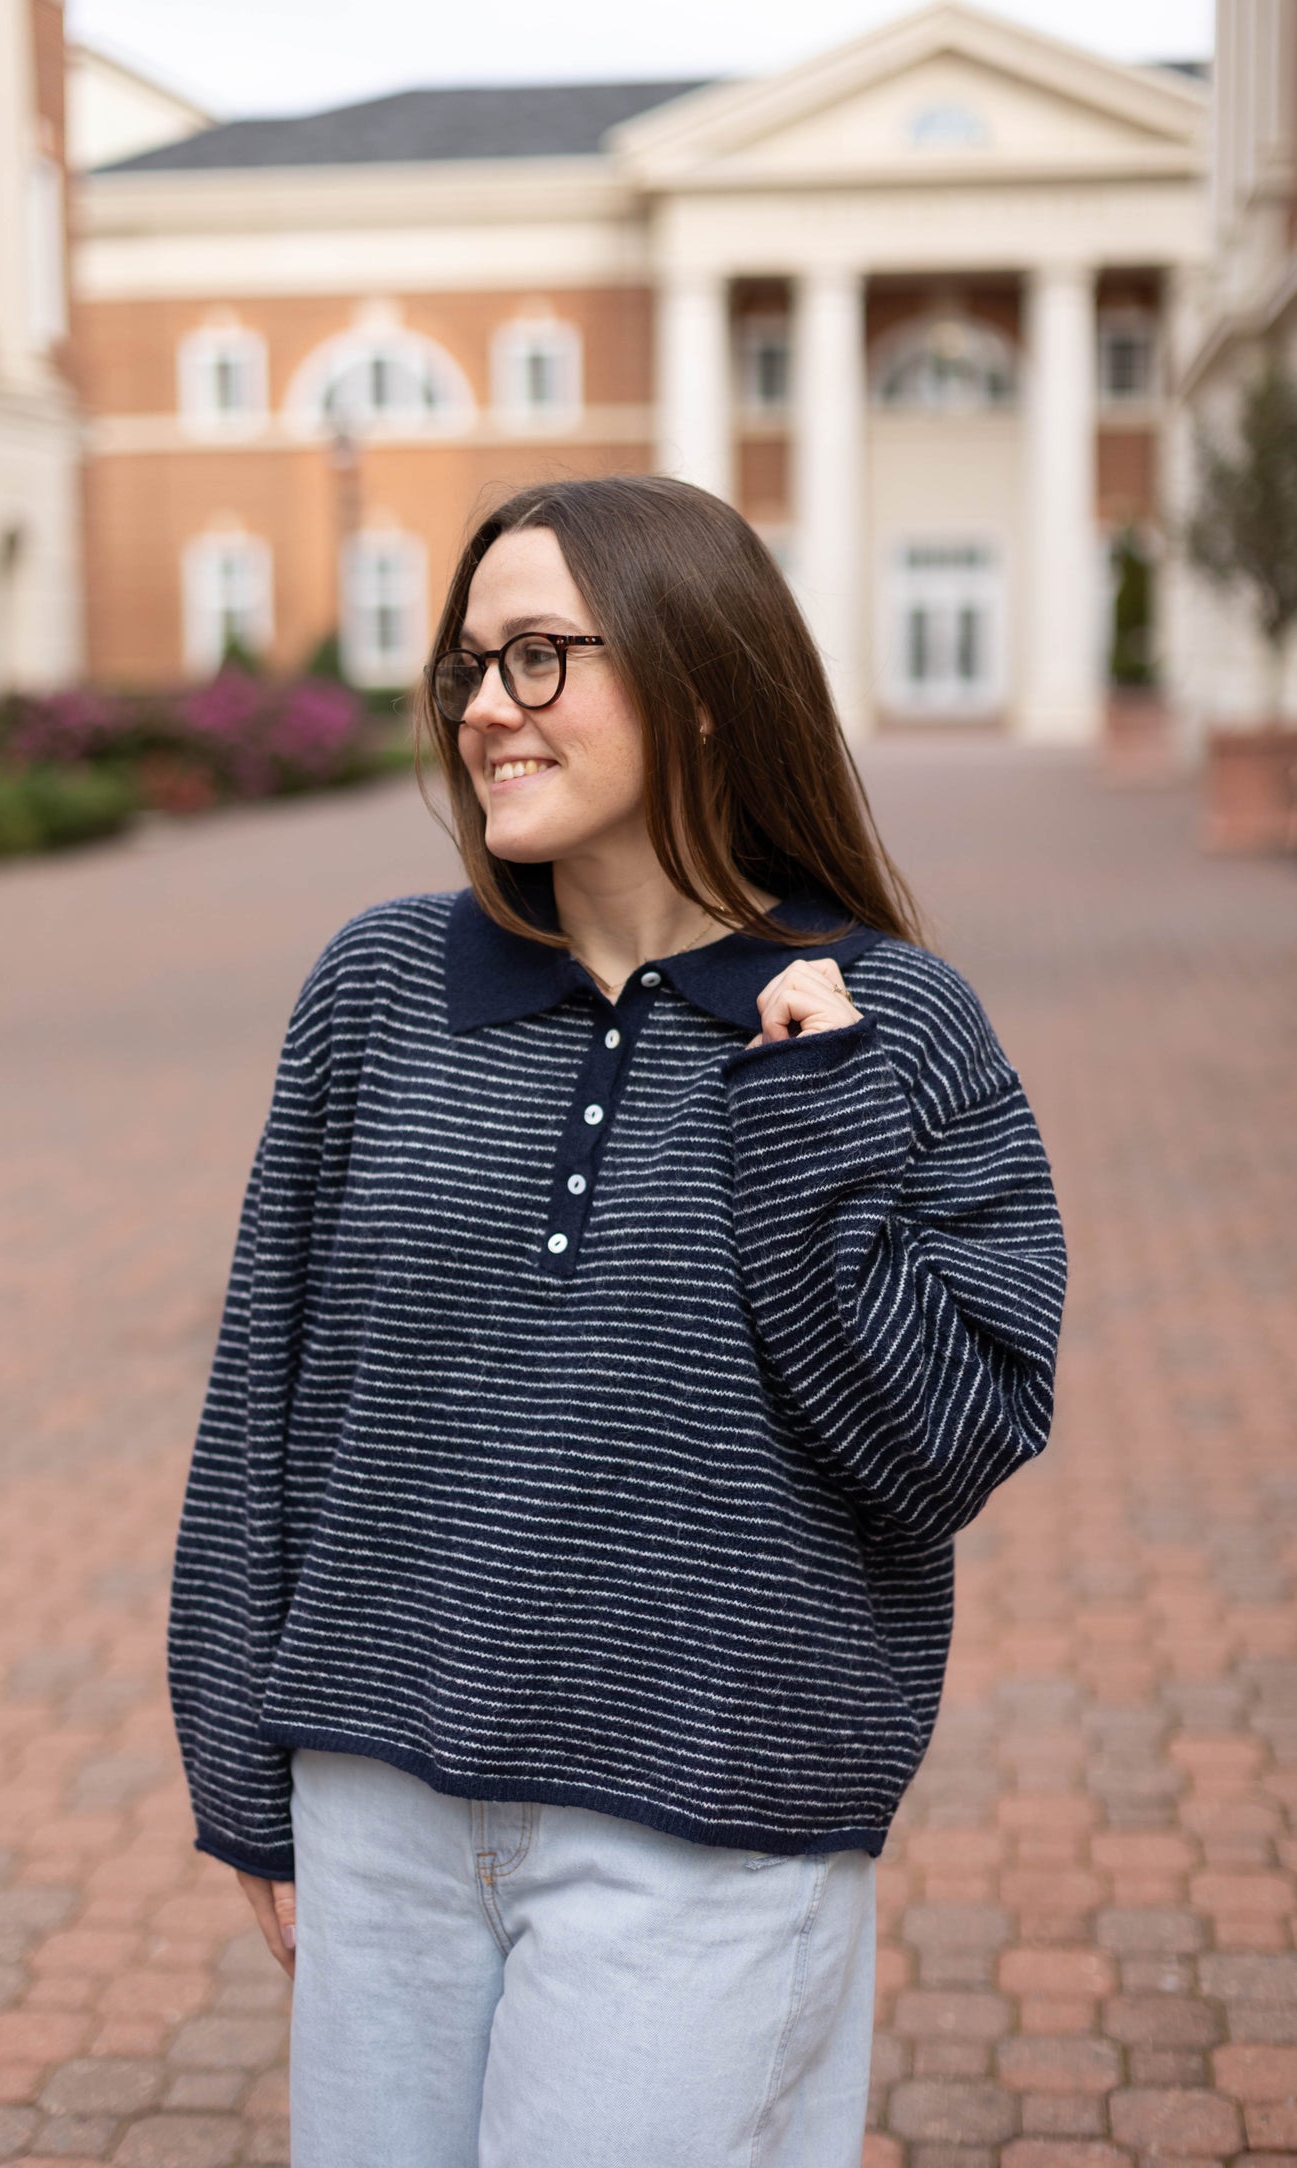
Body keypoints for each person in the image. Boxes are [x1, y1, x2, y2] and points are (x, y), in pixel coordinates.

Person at [166, 474, 1067, 2167]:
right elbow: (264, 1397)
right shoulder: (376, 990)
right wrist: (240, 1763)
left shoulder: (895, 1023)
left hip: (704, 1826)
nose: (485, 711)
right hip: (380, 1795)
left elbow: (944, 1448)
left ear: (702, 683)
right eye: (466, 668)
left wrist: (797, 1132)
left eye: (538, 660)